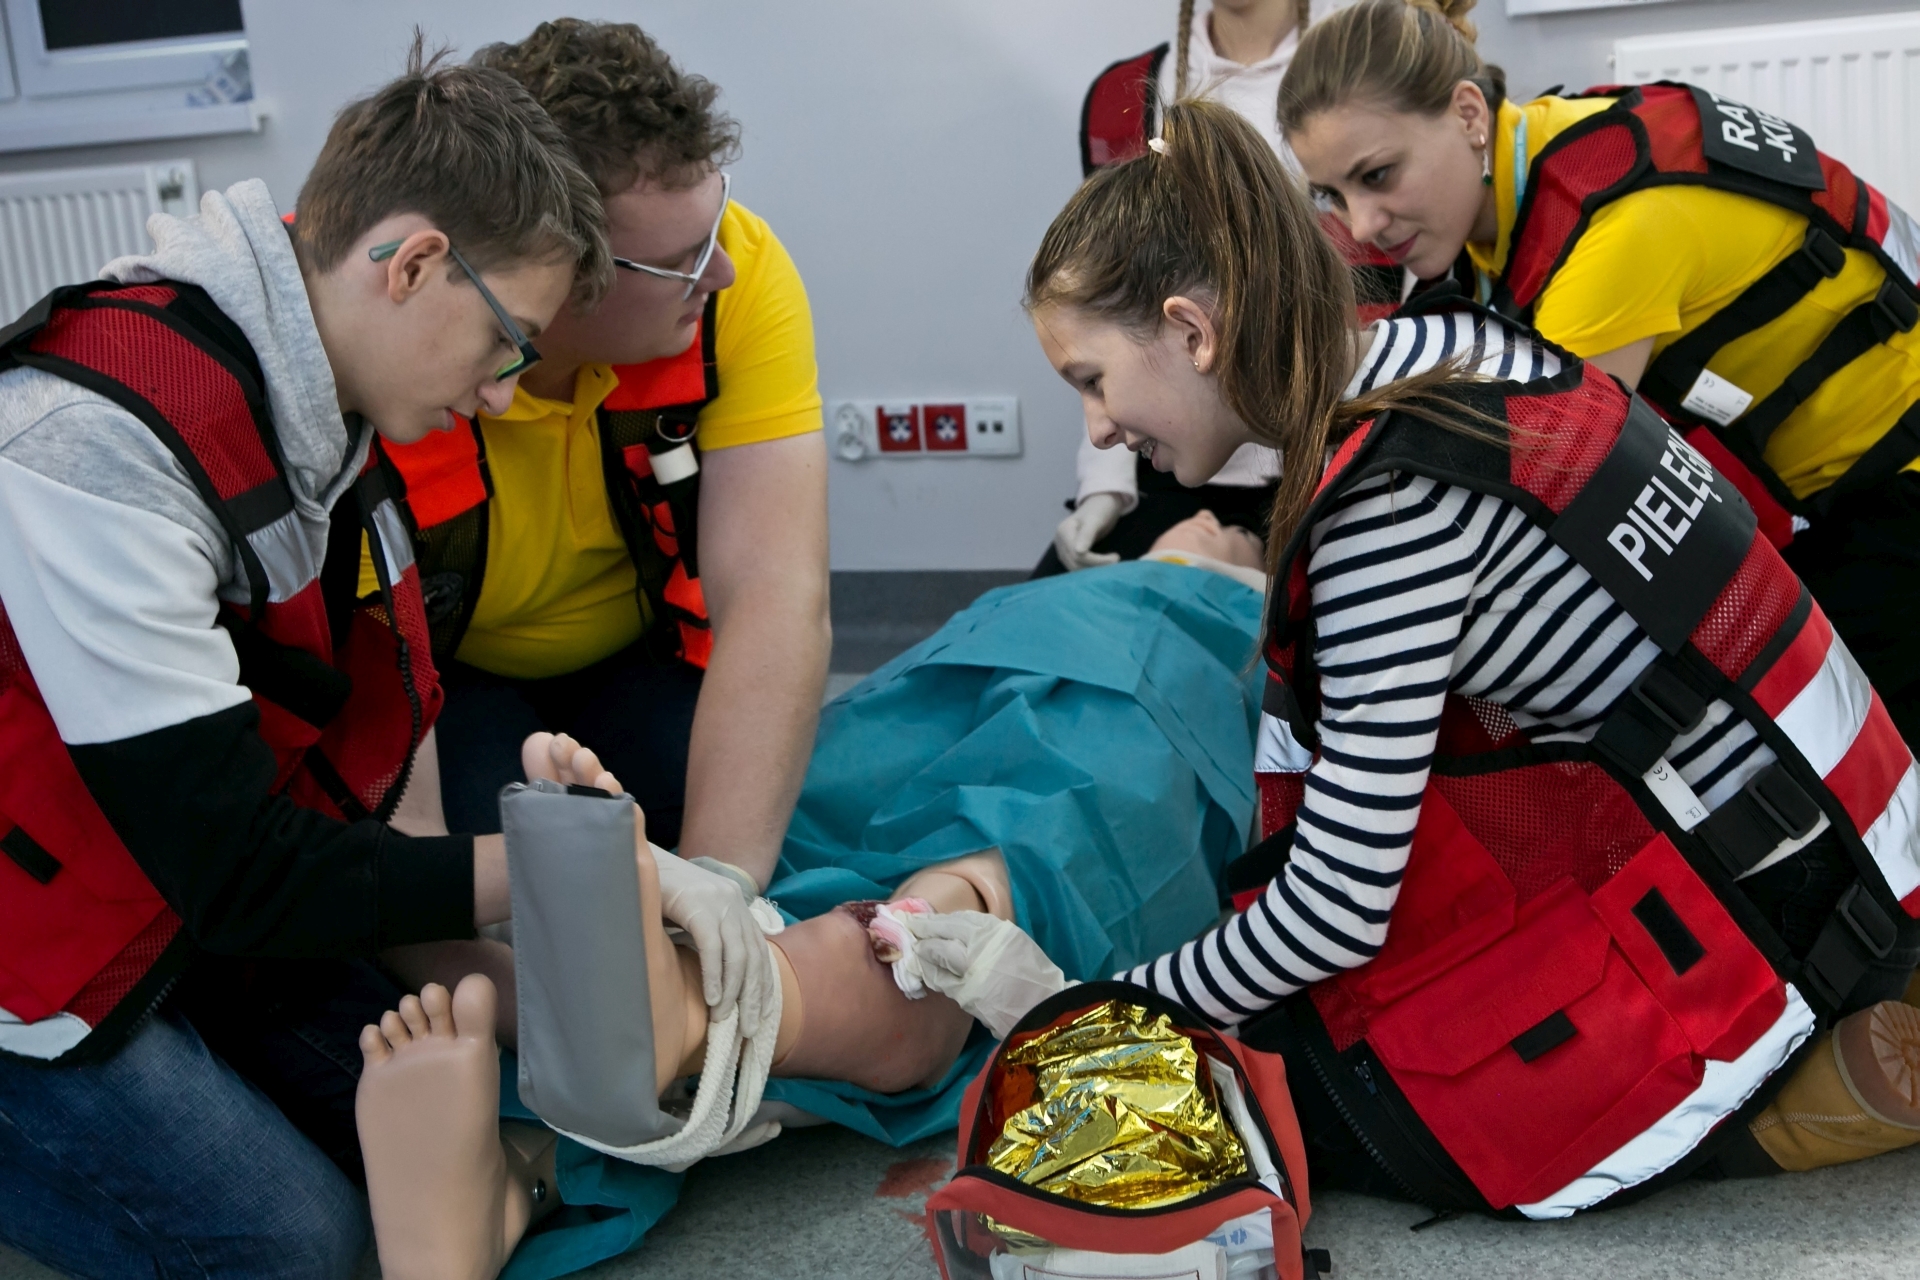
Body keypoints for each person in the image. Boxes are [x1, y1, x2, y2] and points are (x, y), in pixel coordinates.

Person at [1009, 96, 1920, 1217]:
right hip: (1858, 835)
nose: (1098, 430)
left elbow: (1337, 908)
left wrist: (1101, 1010)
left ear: (1193, 331)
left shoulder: (1386, 506)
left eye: (1090, 380)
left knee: (1296, 1097)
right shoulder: (1450, 351)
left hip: (1802, 917)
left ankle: (1812, 1087)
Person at [0, 44, 612, 1278]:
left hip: (156, 871)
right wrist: (557, 867)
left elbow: (317, 774)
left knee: (437, 1124)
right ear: (414, 264)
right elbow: (243, 877)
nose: (504, 394)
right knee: (303, 1247)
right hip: (41, 939)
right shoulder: (92, 447)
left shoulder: (325, 409)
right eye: (510, 343)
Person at [346, 527, 1274, 1279]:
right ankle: (612, 1083)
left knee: (918, 898)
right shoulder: (1162, 580)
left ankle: (555, 1128)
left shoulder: (1237, 608)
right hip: (1020, 667)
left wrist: (1202, 559)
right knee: (892, 908)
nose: (1104, 427)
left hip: (1127, 662)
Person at [1279, 0, 1920, 746]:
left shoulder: (1612, 238)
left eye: (1378, 175)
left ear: (1467, 115)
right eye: (1334, 195)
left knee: (1826, 752)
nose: (1362, 225)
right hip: (1838, 491)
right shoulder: (1550, 147)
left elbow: (1528, 510)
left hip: (1893, 499)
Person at [374, 20, 829, 896]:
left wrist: (722, 893)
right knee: (519, 876)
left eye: (715, 225)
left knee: (746, 824)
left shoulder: (741, 277)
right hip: (443, 683)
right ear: (553, 269)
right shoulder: (387, 336)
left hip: (645, 658)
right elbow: (363, 685)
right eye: (679, 260)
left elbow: (776, 597)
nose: (722, 273)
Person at [1043, 0, 1403, 577]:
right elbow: (1101, 317)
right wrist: (1103, 488)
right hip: (1168, 462)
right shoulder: (1123, 96)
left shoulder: (1359, 70)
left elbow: (1415, 278)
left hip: (1332, 448)